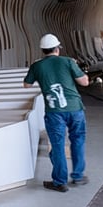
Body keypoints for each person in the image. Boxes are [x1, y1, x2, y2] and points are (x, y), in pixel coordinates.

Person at [23, 34, 90, 192]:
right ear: (57, 49)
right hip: (75, 108)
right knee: (78, 140)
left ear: (43, 50)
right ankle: (78, 176)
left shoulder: (37, 66)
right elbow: (85, 82)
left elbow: (26, 85)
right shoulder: (68, 61)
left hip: (54, 112)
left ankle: (60, 182)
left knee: (58, 145)